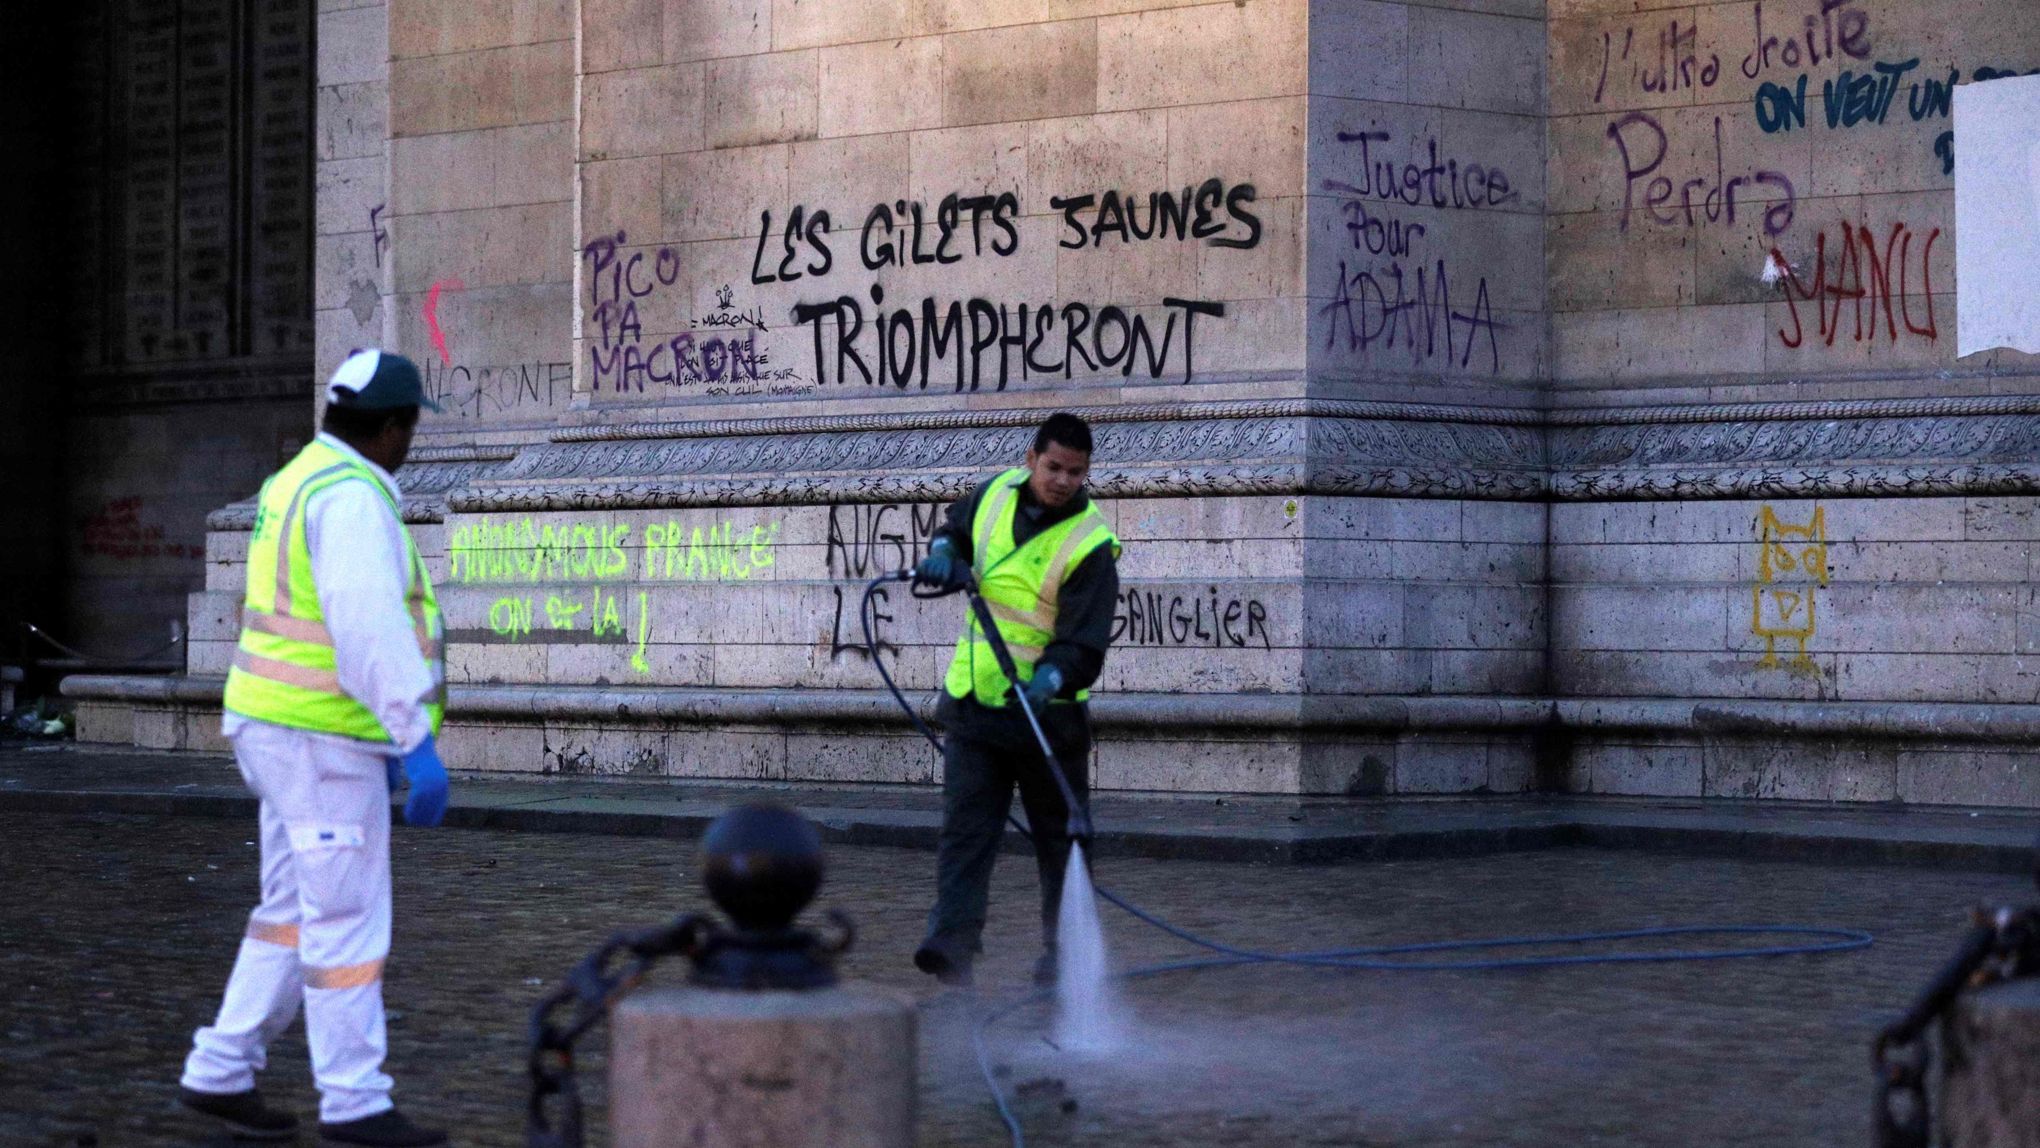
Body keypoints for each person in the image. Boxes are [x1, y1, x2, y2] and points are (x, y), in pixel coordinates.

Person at [178, 350, 452, 1147]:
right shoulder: (355, 498)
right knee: (345, 918)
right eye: (409, 430)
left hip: (278, 727)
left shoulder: (296, 479)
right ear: (393, 427)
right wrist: (414, 735)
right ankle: (355, 1102)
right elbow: (366, 624)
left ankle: (221, 1070)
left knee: (293, 911)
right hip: (323, 740)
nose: (409, 445)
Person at [910, 412, 1122, 988]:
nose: (1062, 480)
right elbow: (955, 528)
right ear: (1031, 460)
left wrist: (1051, 678)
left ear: (1086, 473)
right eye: (1053, 467)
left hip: (1047, 719)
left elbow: (1084, 640)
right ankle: (952, 944)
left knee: (1062, 843)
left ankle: (1064, 957)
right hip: (977, 707)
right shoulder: (995, 493)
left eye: (1075, 472)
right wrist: (943, 553)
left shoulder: (1090, 545)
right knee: (966, 833)